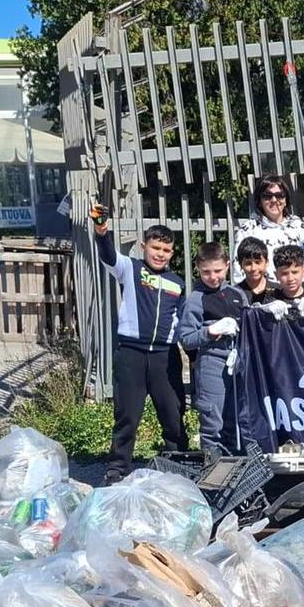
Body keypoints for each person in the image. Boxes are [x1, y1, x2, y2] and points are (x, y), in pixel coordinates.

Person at [91, 207, 188, 485]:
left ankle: (178, 465)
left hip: (164, 356)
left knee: (172, 413)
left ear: (172, 253)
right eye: (155, 247)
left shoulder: (177, 283)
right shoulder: (130, 269)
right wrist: (101, 229)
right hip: (131, 353)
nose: (160, 253)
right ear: (144, 247)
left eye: (166, 250)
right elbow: (108, 255)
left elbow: (182, 322)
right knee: (127, 415)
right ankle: (117, 468)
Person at [178, 242, 248, 456]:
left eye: (218, 271)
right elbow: (186, 338)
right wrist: (210, 332)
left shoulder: (238, 294)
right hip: (211, 363)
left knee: (237, 418)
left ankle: (237, 467)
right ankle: (212, 470)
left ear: (227, 265)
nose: (213, 277)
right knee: (212, 418)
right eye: (206, 272)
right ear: (198, 268)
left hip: (238, 362)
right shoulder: (196, 299)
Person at [232, 175, 304, 280]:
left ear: (286, 200)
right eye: (267, 196)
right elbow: (238, 268)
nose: (274, 200)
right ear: (259, 200)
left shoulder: (298, 226)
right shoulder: (248, 230)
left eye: (279, 195)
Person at [234, 237, 280, 304]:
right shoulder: (235, 294)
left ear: (266, 262)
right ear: (241, 265)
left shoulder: (278, 291)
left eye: (258, 262)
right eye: (248, 263)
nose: (253, 268)